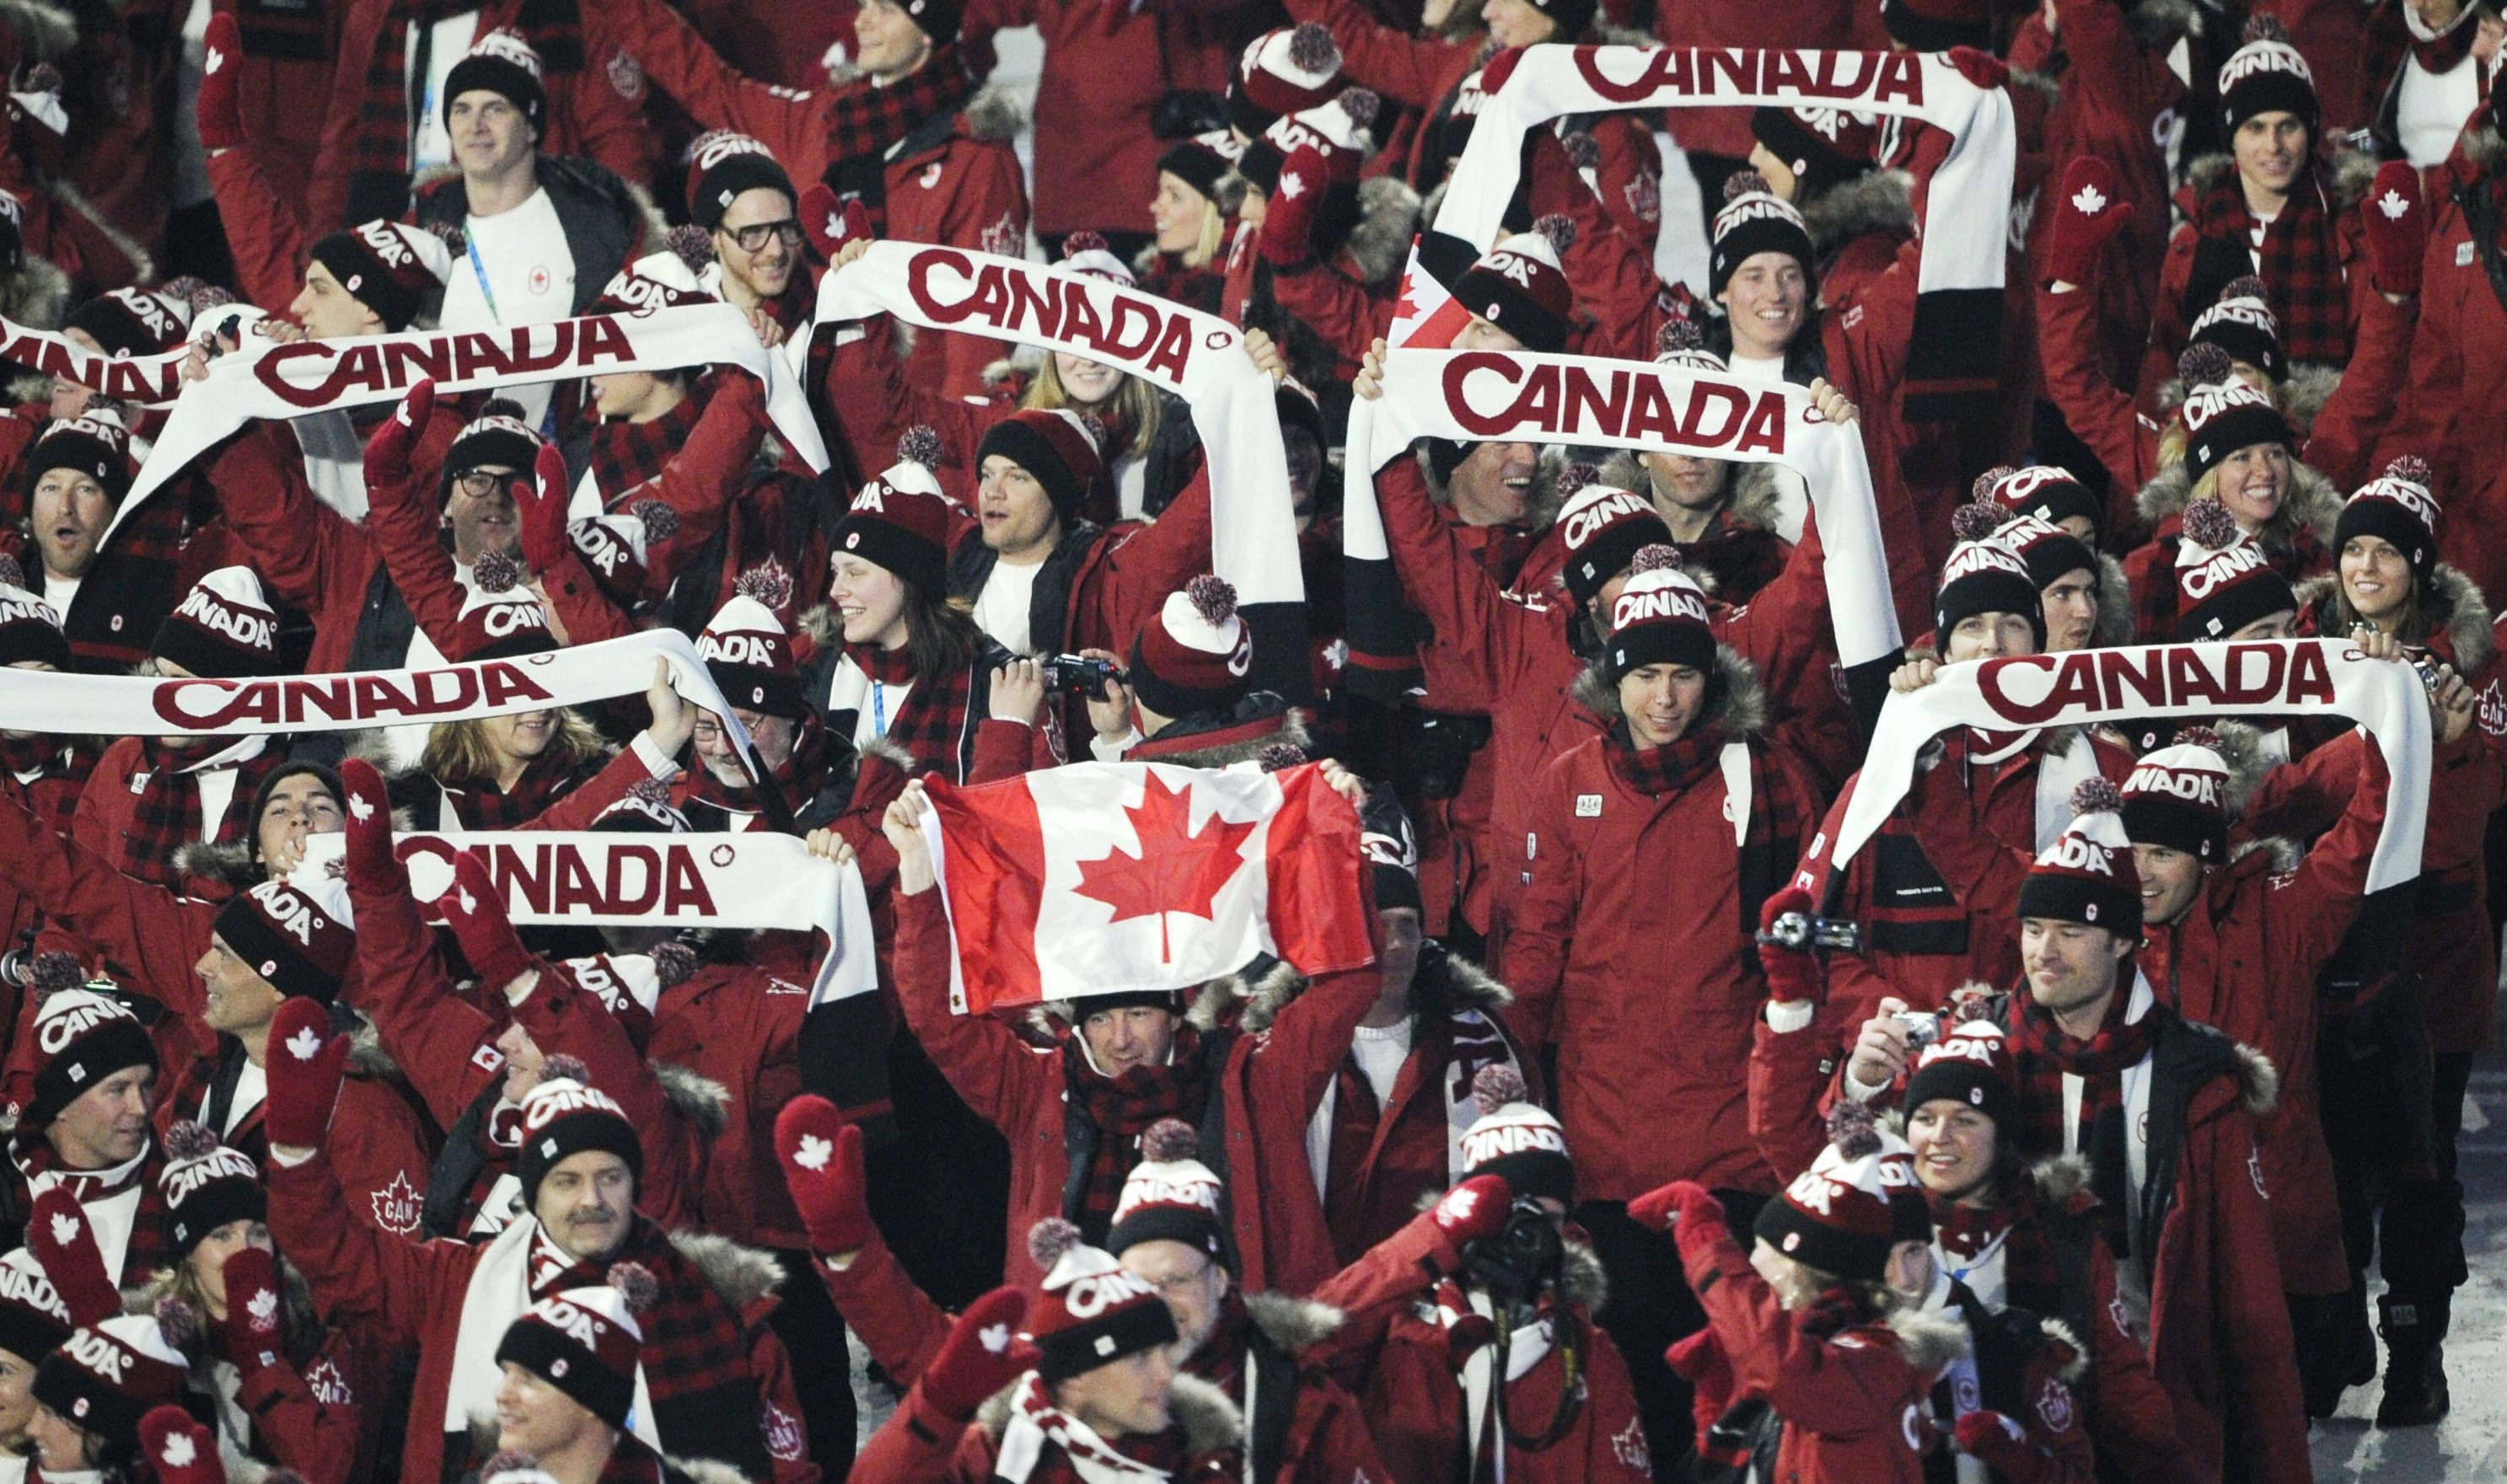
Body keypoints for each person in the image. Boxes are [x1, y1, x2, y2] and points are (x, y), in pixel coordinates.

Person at [1842, 780, 2313, 1484]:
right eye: (2034, 928)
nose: (2044, 951)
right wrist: (1860, 1081)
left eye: (2071, 931)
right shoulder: (1970, 1050)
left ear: (2123, 939)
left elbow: (2253, 1315)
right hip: (2001, 1398)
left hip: (2157, 1402)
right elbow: (1834, 1168)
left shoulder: (2199, 1079)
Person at [1496, 545, 1822, 1462]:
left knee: (1738, 1374)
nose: (1664, 698)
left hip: (1733, 1135)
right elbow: (1538, 946)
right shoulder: (1568, 781)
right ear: (1614, 679)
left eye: (1683, 674)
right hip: (1607, 1135)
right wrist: (1506, 1063)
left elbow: (1804, 943)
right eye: (1645, 676)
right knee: (1635, 1373)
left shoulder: (1767, 779)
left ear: (1712, 679)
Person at [867, 762, 1379, 1294]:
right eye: (1100, 1019)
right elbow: (939, 1019)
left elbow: (1352, 984)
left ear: (1175, 1015)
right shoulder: (1035, 1091)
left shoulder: (1256, 1080)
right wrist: (918, 872)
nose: (1119, 1040)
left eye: (1137, 1015)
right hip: (1083, 1336)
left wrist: (1337, 837)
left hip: (1232, 1334)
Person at [588, 0, 1026, 397]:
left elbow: (980, 329)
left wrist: (961, 441)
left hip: (913, 407)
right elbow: (709, 83)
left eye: (886, 10)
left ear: (929, 32)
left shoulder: (977, 157)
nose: (863, 22)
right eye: (864, 5)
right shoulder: (824, 119)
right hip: (811, 386)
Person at [1307, 1068, 1651, 1483]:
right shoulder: (1398, 1322)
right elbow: (1296, 1346)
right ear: (1469, 1209)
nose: (1526, 1235)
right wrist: (1431, 1238)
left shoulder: (1588, 1352)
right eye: (1513, 1212)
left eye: (1547, 1220)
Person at [850, 1221, 1243, 1483]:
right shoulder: (990, 1457)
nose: (1166, 1373)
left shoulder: (1200, 1461)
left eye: (1163, 1351)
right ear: (1074, 1381)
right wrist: (938, 1408)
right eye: (1139, 1358)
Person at [137, 1125, 373, 1484]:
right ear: (188, 1257)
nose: (244, 1250)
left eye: (257, 1232)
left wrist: (261, 1355)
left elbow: (328, 1471)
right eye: (221, 1236)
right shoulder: (152, 1342)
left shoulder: (316, 1338)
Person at [10, 408, 188, 676]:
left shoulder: (161, 587)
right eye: (51, 488)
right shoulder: (8, 582)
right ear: (31, 505)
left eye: (86, 489)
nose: (65, 507)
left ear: (115, 510)